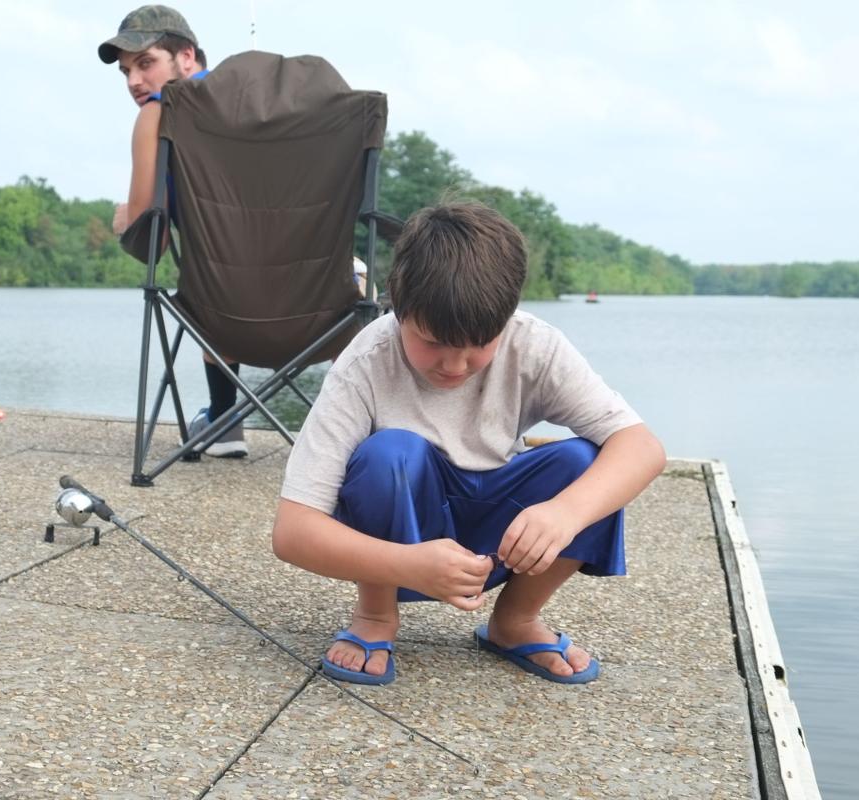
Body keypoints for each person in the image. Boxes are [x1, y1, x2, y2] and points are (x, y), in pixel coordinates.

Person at [271, 202, 666, 686]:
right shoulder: (365, 363)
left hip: (501, 542)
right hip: (401, 541)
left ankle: (515, 621)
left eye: (479, 343)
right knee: (389, 454)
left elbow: (642, 447)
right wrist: (406, 563)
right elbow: (292, 531)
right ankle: (375, 615)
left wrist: (564, 513)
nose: (454, 366)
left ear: (507, 315)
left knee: (589, 461)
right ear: (396, 305)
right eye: (432, 341)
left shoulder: (535, 345)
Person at [100, 4, 247, 458]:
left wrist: (127, 218)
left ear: (187, 57)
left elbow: (151, 243)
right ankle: (361, 433)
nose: (133, 82)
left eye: (146, 64)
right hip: (325, 307)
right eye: (126, 71)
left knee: (216, 276)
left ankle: (223, 416)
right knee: (359, 282)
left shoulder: (158, 115)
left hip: (221, 301)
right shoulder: (267, 107)